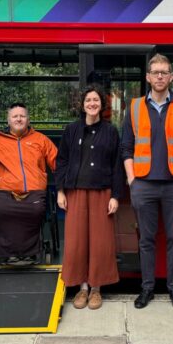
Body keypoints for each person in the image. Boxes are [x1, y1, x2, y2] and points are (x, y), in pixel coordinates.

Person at [120, 54, 173, 310]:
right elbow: (127, 147)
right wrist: (132, 179)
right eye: (155, 72)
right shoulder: (133, 107)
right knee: (146, 239)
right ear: (147, 77)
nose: (159, 76)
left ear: (171, 77)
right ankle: (147, 289)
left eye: (164, 72)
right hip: (143, 183)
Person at [55, 85, 123, 310]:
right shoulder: (71, 130)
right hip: (75, 192)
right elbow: (62, 161)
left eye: (96, 100)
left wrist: (115, 195)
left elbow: (116, 165)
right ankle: (82, 288)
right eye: (88, 100)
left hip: (102, 192)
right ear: (82, 105)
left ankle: (96, 289)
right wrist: (60, 190)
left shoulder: (111, 131)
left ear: (102, 105)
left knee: (101, 242)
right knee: (77, 241)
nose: (92, 104)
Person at [0, 102, 57, 264]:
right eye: (15, 116)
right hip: (4, 190)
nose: (19, 119)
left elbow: (58, 162)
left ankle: (29, 252)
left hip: (34, 191)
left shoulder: (41, 140)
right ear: (8, 121)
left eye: (22, 116)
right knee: (0, 210)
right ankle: (8, 252)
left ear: (28, 120)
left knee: (36, 210)